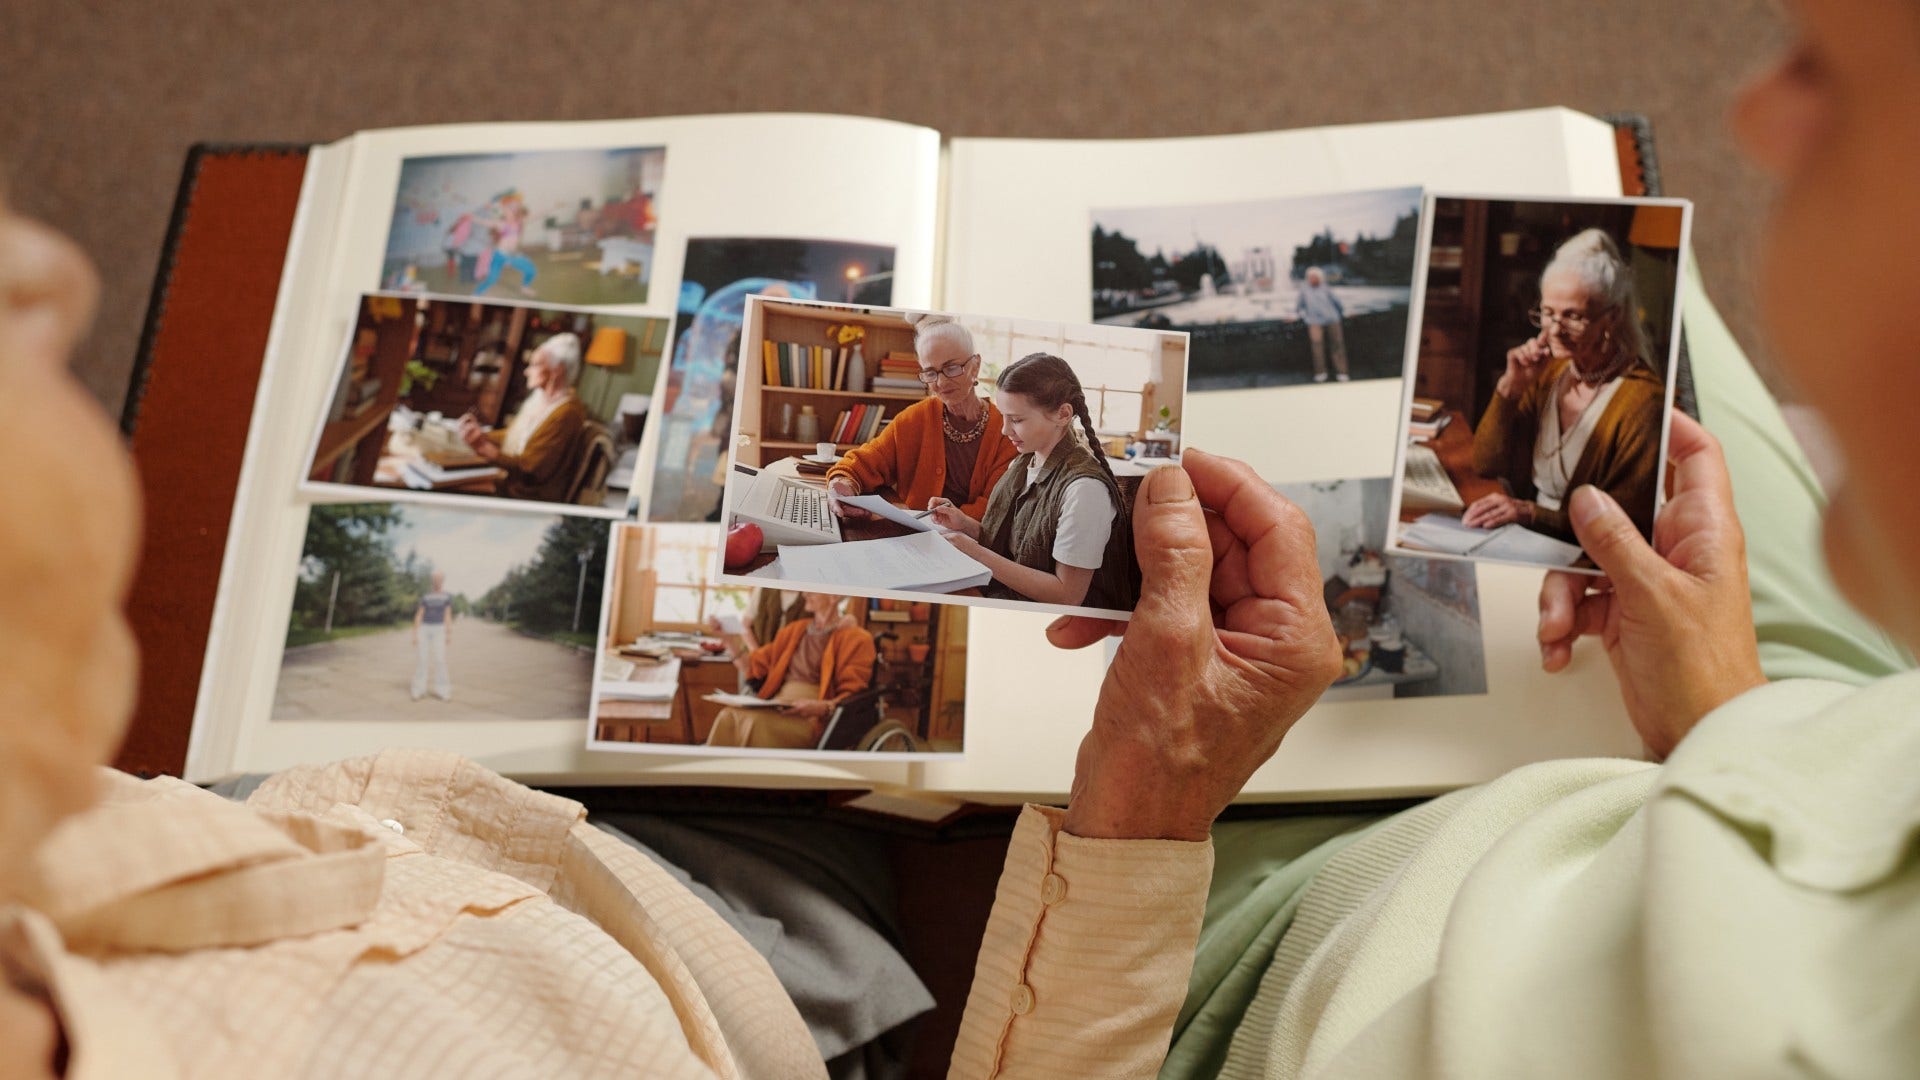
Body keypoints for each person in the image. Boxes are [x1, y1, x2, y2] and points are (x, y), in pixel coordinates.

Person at [1462, 228, 1666, 543]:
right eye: (1547, 313)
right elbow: (1486, 463)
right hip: (1529, 539)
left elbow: (1622, 529)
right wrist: (1510, 390)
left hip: (1587, 558)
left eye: (1572, 316)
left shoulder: (1643, 402)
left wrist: (1530, 513)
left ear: (1611, 318)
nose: (1555, 330)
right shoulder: (1549, 372)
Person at [927, 352, 1138, 611]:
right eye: (1003, 416)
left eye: (1016, 420)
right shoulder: (1025, 462)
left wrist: (975, 552)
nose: (1005, 430)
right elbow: (1016, 547)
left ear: (1062, 414)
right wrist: (965, 524)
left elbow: (1067, 596)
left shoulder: (1085, 491)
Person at [824, 317, 1018, 522]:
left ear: (975, 366)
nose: (941, 382)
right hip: (913, 539)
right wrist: (842, 484)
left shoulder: (1006, 432)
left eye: (951, 368)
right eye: (930, 373)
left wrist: (946, 524)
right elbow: (863, 463)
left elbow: (993, 508)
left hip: (972, 544)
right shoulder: (914, 418)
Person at [704, 592, 874, 749]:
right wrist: (727, 640)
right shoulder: (794, 630)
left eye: (813, 590)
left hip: (812, 719)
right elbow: (752, 667)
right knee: (728, 716)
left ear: (834, 597)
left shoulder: (857, 638)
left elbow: (853, 694)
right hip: (779, 706)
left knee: (754, 723)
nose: (805, 593)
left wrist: (822, 707)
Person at [456, 331, 589, 503]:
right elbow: (513, 436)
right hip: (510, 481)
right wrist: (481, 434)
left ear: (556, 371)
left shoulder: (567, 412)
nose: (527, 371)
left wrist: (483, 447)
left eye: (535, 365)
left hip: (524, 494)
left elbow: (530, 470)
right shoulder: (542, 398)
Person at [473, 191, 537, 297]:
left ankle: (525, 287)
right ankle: (477, 293)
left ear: (515, 213)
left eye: (511, 212)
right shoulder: (501, 224)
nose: (508, 214)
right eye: (506, 211)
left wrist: (554, 207)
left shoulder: (519, 223)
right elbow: (485, 222)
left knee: (531, 270)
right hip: (499, 255)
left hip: (512, 255)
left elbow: (536, 216)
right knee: (492, 279)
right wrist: (472, 218)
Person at [1296, 265, 1350, 383]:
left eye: (1315, 277)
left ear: (1320, 278)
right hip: (1314, 322)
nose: (1312, 279)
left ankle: (1342, 372)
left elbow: (1338, 303)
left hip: (1332, 320)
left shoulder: (1326, 288)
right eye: (1310, 277)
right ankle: (1320, 373)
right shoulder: (1304, 290)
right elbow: (1299, 307)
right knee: (1317, 347)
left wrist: (1341, 314)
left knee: (1337, 345)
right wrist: (1305, 317)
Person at [410, 570, 454, 701]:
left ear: (443, 580)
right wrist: (415, 633)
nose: (437, 581)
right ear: (432, 580)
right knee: (422, 660)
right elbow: (419, 615)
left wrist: (448, 633)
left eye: (439, 579)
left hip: (439, 629)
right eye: (435, 579)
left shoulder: (447, 597)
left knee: (440, 660)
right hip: (424, 628)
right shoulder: (426, 597)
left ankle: (443, 691)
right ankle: (418, 690)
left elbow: (447, 615)